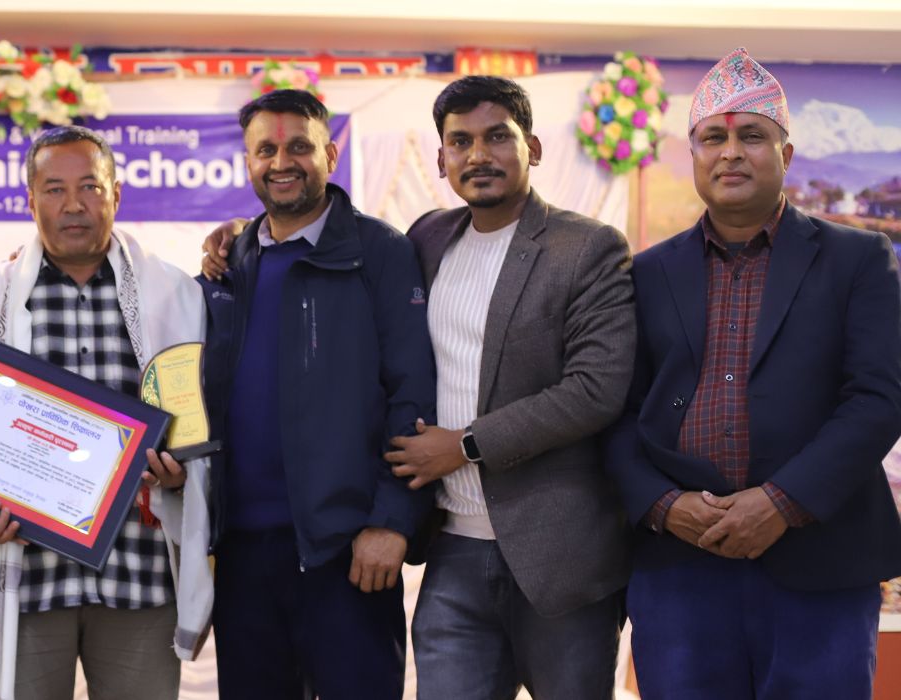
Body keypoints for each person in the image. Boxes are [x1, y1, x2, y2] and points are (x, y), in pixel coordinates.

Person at [606, 48, 901, 699]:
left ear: (786, 155)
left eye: (752, 137)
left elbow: (878, 399)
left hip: (820, 562)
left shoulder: (857, 259)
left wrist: (781, 502)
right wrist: (664, 507)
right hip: (680, 567)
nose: (731, 153)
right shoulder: (647, 273)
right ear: (694, 156)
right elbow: (616, 413)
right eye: (713, 137)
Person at [0, 124, 213, 700]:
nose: (73, 204)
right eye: (54, 189)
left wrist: (182, 473)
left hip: (139, 576)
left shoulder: (176, 296)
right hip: (26, 579)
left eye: (90, 186)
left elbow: (204, 422)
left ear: (116, 194)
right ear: (30, 200)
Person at [385, 75, 634, 698]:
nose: (478, 155)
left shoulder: (587, 247)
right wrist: (245, 235)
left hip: (560, 557)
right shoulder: (427, 238)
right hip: (452, 553)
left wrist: (465, 445)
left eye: (498, 137)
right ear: (441, 158)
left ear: (534, 148)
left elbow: (596, 388)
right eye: (460, 141)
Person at [200, 88, 436, 699]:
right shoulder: (231, 262)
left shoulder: (379, 252)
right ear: (247, 163)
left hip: (348, 553)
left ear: (330, 155)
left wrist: (391, 521)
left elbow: (414, 396)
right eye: (266, 150)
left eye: (299, 147)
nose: (282, 162)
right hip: (243, 557)